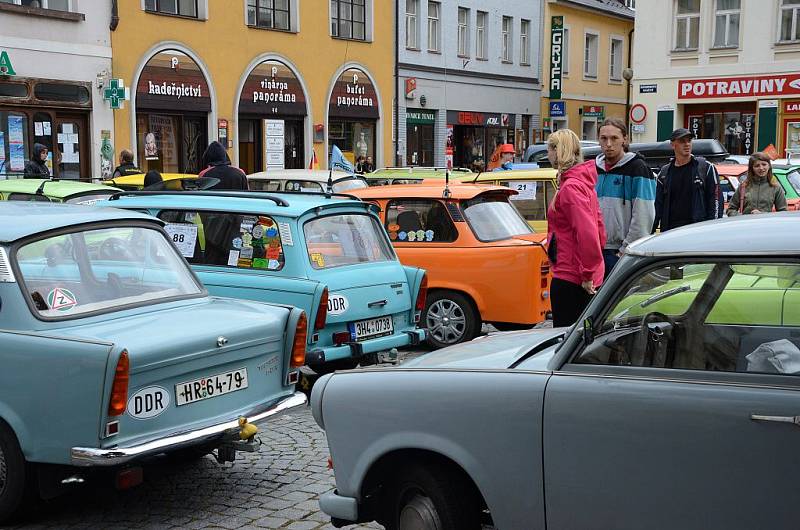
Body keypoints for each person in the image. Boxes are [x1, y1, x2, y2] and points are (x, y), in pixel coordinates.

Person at [546, 129, 606, 327]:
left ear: (558, 151)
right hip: (580, 273)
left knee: (564, 339)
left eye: (550, 149)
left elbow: (587, 232)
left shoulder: (571, 186)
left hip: (571, 275)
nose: (548, 155)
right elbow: (599, 230)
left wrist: (587, 272)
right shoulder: (582, 183)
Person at [595, 118, 656, 277]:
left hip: (620, 253)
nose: (608, 143)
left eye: (614, 138)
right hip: (595, 251)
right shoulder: (593, 169)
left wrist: (627, 250)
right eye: (604, 138)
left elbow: (644, 216)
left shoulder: (638, 168)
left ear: (625, 139)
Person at [653, 128, 722, 232]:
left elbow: (715, 200)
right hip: (670, 231)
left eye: (689, 141)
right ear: (673, 145)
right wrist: (651, 231)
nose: (687, 144)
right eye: (682, 141)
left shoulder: (705, 167)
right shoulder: (664, 173)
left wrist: (711, 229)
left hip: (697, 230)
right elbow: (657, 206)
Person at [726, 152, 787, 216]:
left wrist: (762, 215)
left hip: (766, 224)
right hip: (746, 224)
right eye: (757, 166)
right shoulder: (744, 186)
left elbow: (783, 212)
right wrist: (742, 217)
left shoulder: (775, 187)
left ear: (769, 166)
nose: (761, 168)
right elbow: (731, 209)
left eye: (764, 164)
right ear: (752, 168)